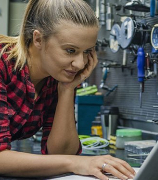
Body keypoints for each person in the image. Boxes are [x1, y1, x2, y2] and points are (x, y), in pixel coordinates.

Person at [0, 0, 135, 180]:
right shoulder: (3, 64)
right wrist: (77, 163)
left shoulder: (55, 77)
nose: (80, 64)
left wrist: (67, 89)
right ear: (38, 39)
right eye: (70, 50)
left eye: (87, 51)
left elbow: (60, 153)